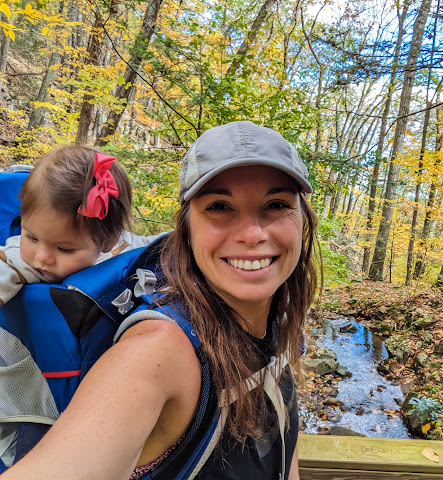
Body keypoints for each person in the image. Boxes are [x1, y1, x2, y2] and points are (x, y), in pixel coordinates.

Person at [1, 121, 318, 479]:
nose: (252, 234)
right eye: (219, 206)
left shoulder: (278, 316)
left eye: (275, 204)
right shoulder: (159, 350)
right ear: (185, 227)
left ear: (303, 220)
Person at [0, 145, 162, 305]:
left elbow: (152, 245)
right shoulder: (16, 261)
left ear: (108, 241)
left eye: (64, 248)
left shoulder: (122, 249)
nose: (41, 256)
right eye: (31, 237)